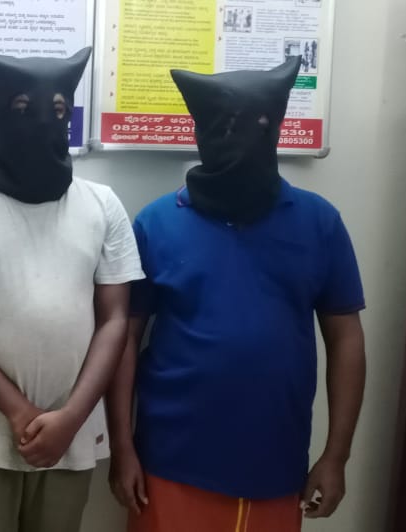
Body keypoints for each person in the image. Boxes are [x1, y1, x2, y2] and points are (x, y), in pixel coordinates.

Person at [109, 57, 366, 532]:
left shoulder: (319, 222)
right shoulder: (156, 223)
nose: (241, 139)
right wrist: (122, 446)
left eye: (259, 124)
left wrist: (337, 455)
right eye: (223, 125)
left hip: (276, 460)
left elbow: (346, 338)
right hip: (170, 460)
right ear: (201, 132)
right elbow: (123, 336)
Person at [0, 47, 144, 532]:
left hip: (72, 435)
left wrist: (72, 417)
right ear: (0, 111)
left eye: (58, 109)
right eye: (23, 107)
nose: (43, 120)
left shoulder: (103, 205)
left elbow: (116, 320)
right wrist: (17, 409)